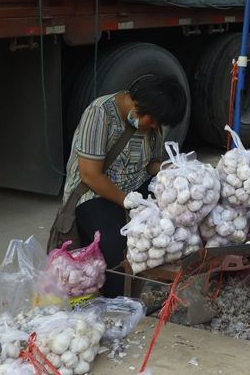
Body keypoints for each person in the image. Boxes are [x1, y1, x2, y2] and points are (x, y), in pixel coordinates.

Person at [62, 74, 187, 297]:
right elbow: (90, 175)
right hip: (95, 193)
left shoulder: (151, 124)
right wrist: (127, 202)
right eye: (154, 120)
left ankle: (162, 281)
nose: (155, 126)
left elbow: (150, 164)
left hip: (135, 189)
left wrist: (167, 168)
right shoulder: (100, 113)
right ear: (142, 104)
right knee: (116, 243)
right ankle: (117, 303)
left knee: (179, 212)